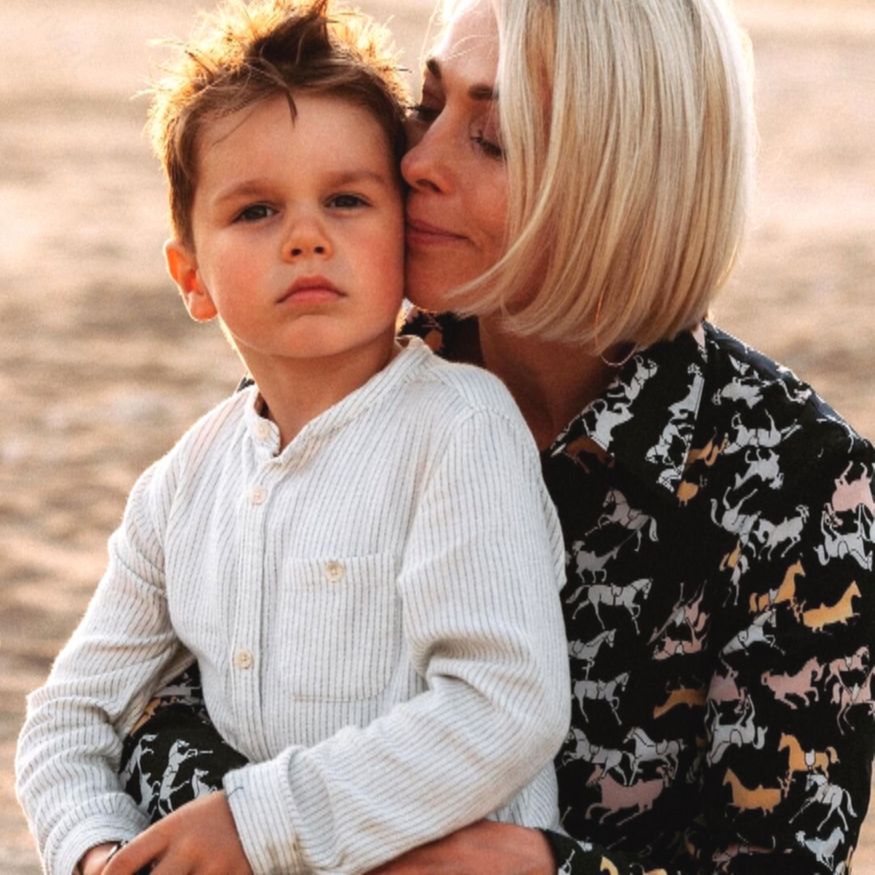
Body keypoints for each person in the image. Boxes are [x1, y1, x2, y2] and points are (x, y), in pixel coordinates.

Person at [94, 0, 874, 872]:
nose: (416, 162)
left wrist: (545, 867)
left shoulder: (803, 482)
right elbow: (164, 698)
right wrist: (248, 827)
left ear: (623, 187)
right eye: (425, 108)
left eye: (492, 138)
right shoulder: (345, 372)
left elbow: (782, 856)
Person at [13, 2, 574, 874]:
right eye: (256, 210)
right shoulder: (181, 484)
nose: (307, 237)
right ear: (192, 277)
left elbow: (505, 704)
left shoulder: (460, 428)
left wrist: (256, 823)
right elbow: (67, 718)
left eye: (347, 200)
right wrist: (101, 852)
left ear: (403, 231)